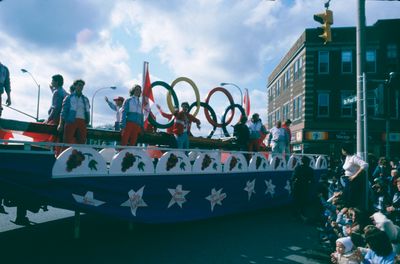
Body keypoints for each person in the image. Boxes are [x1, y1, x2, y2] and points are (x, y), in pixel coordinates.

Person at [58, 79, 90, 145]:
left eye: (82, 86)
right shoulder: (69, 98)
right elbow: (63, 112)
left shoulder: (85, 99)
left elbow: (87, 110)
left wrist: (87, 121)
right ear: (75, 86)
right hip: (71, 120)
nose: (81, 87)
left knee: (82, 141)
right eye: (79, 85)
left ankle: (80, 154)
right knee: (67, 141)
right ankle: (65, 154)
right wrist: (60, 124)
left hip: (82, 121)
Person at [341, 141, 369, 209]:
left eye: (342, 149)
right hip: (347, 179)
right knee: (345, 197)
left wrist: (355, 175)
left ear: (345, 150)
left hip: (352, 180)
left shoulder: (354, 157)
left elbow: (365, 165)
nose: (341, 151)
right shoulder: (347, 157)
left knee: (350, 198)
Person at [290, 156, 314, 221]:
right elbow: (312, 180)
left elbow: (293, 178)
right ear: (308, 162)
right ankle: (303, 214)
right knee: (303, 202)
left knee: (296, 201)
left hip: (297, 187)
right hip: (305, 187)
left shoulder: (297, 168)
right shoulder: (310, 170)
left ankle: (295, 215)